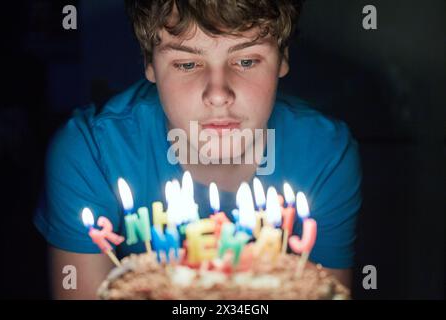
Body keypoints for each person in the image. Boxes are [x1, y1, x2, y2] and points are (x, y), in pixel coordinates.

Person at [34, 0, 362, 299]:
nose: (218, 94)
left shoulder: (324, 154)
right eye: (187, 64)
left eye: (246, 60)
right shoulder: (91, 153)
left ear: (282, 57)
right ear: (150, 62)